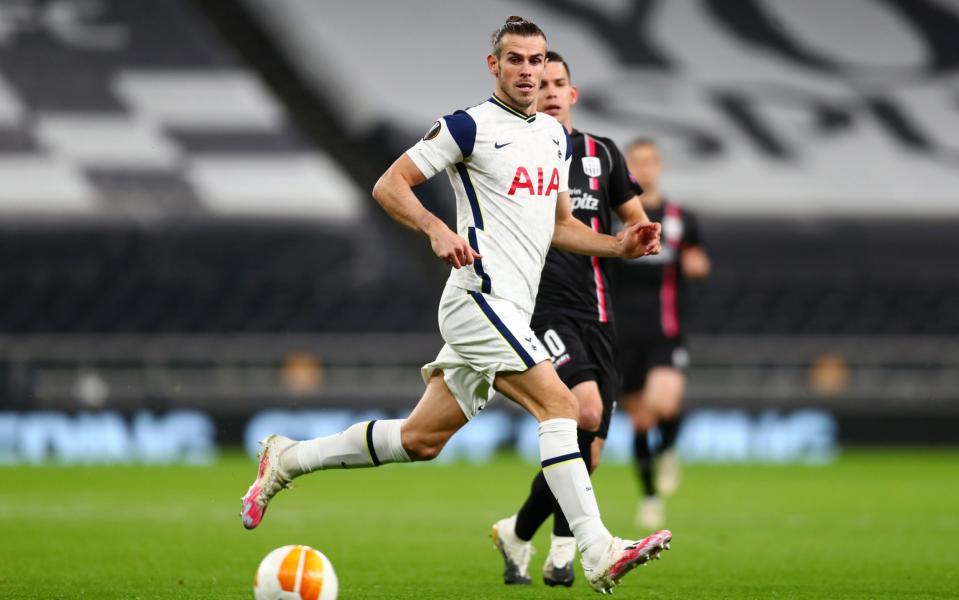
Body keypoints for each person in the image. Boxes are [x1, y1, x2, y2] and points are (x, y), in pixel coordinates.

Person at [239, 16, 669, 594]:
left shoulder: (552, 137)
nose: (527, 71)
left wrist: (618, 244)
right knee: (561, 407)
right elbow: (390, 184)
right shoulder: (468, 127)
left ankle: (287, 458)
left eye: (536, 60)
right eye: (514, 59)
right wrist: (436, 228)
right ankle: (596, 549)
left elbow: (561, 225)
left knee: (420, 440)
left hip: (512, 309)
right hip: (478, 298)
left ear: (548, 70)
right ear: (494, 66)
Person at [489, 51, 658, 588]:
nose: (552, 92)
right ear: (530, 94)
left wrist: (641, 234)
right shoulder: (521, 153)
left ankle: (518, 531)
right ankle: (569, 548)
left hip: (599, 311)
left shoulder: (602, 153)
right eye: (543, 85)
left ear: (573, 92)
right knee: (582, 412)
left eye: (561, 83)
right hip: (541, 306)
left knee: (591, 451)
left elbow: (634, 218)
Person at [615, 138, 711, 529]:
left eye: (651, 161)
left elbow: (700, 262)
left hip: (665, 327)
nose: (645, 167)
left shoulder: (679, 217)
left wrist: (696, 264)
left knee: (666, 403)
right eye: (637, 162)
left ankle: (669, 450)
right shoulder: (613, 215)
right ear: (627, 169)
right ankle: (650, 497)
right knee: (640, 420)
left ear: (660, 167)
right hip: (622, 330)